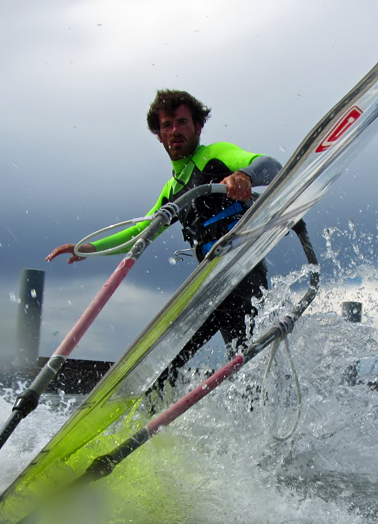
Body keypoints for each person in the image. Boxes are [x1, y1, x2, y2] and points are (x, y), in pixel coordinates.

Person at [46, 89, 283, 390]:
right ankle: (159, 425)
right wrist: (87, 248)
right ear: (158, 135)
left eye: (182, 122)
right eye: (167, 125)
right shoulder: (172, 190)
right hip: (210, 285)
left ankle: (261, 418)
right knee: (163, 371)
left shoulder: (216, 155)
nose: (175, 131)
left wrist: (245, 176)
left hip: (242, 277)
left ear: (197, 127)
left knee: (246, 366)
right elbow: (139, 234)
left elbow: (271, 165)